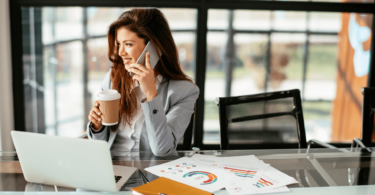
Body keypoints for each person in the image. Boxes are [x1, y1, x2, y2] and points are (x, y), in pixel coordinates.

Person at [86, 8, 199, 157]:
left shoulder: (184, 91)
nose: (120, 52)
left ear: (154, 47)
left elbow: (162, 150)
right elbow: (99, 145)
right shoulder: (112, 78)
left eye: (128, 44)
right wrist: (97, 126)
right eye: (119, 44)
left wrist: (151, 94)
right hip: (112, 170)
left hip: (151, 174)